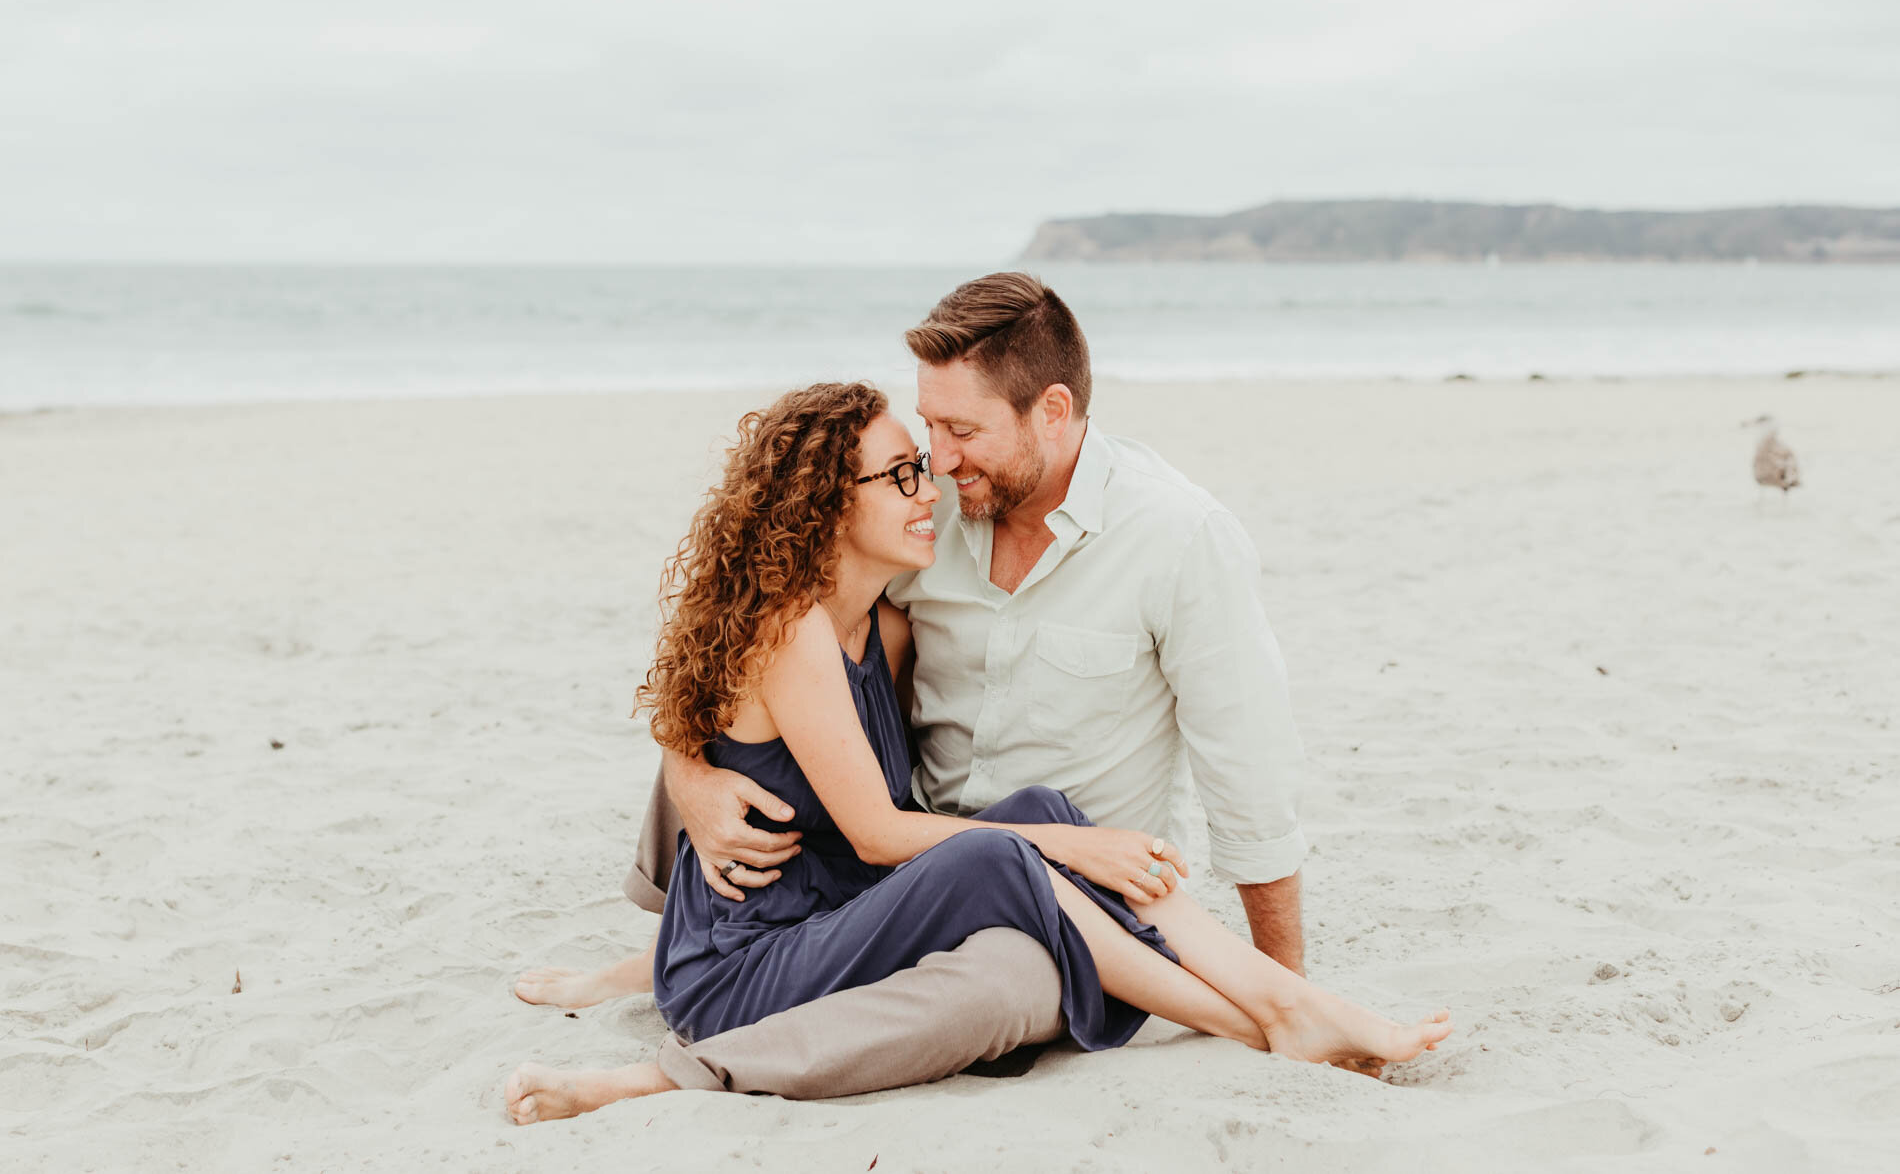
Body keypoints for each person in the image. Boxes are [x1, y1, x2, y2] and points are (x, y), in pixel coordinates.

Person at [504, 380, 1450, 1124]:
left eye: (925, 466)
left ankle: (1286, 999)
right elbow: (874, 832)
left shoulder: (883, 627)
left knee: (1036, 808)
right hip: (741, 974)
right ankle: (1267, 1021)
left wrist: (1068, 837)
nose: (931, 493)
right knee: (1014, 846)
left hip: (829, 925)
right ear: (828, 504)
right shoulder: (787, 632)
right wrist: (1081, 851)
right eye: (903, 475)